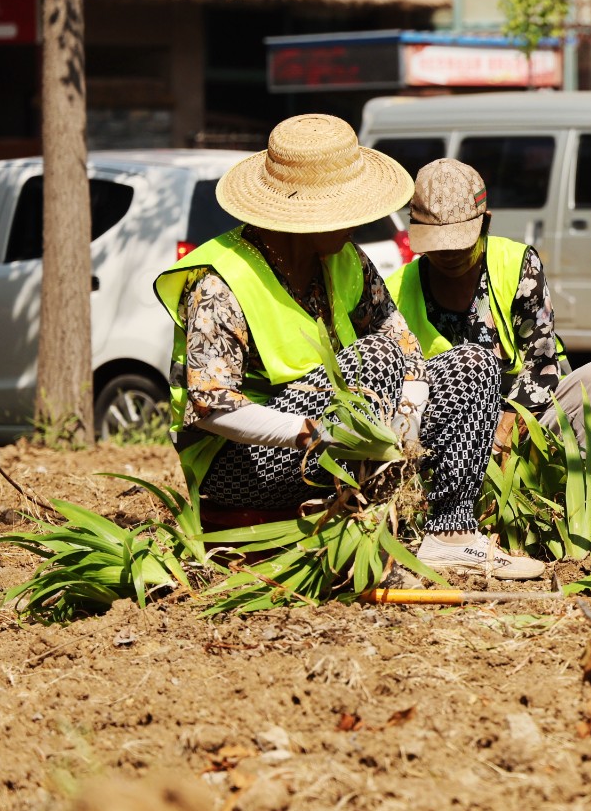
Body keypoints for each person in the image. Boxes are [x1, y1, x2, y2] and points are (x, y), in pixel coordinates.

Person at [154, 114, 543, 580]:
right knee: (372, 360)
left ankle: (450, 535)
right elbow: (214, 408)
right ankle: (366, 539)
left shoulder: (346, 260)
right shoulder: (221, 282)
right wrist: (321, 433)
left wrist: (407, 415)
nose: (361, 225)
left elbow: (408, 349)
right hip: (243, 462)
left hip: (340, 433)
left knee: (473, 365)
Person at [385, 159, 591, 453]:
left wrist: (502, 437)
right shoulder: (396, 288)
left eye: (458, 241)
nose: (448, 254)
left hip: (523, 415)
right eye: (438, 242)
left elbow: (540, 365)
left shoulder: (517, 263)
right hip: (445, 431)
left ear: (485, 222)